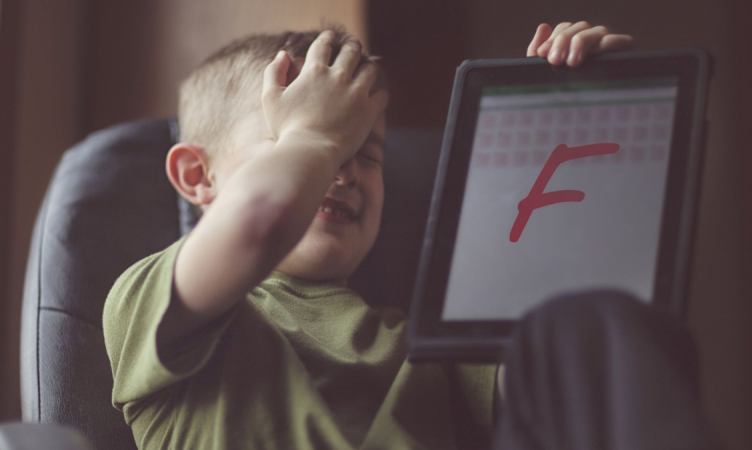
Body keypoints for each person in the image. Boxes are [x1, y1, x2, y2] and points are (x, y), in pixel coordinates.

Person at [103, 22, 718, 450]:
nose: (342, 170)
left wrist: (567, 118)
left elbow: (569, 383)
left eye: (365, 154)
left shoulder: (427, 343)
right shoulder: (152, 301)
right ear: (197, 176)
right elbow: (257, 221)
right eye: (304, 141)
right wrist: (313, 138)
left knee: (585, 323)